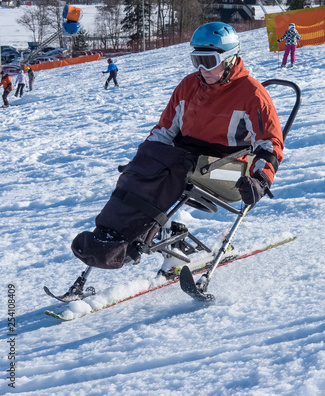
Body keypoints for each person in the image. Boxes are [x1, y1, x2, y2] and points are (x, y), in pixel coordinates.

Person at [72, 22, 284, 270]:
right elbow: (164, 131)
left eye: (208, 60)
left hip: (231, 172)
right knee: (145, 166)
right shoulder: (189, 86)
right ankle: (108, 237)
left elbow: (270, 144)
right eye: (196, 61)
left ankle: (133, 239)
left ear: (229, 58)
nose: (202, 69)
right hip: (187, 161)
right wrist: (143, 159)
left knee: (172, 168)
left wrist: (260, 179)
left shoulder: (252, 95)